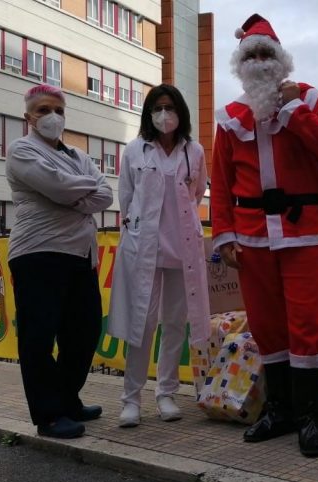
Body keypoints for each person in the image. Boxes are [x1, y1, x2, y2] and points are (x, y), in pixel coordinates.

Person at [209, 14, 318, 457]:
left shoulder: (308, 99)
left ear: (280, 60)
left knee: (308, 323)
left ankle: (311, 417)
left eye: (265, 54)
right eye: (249, 55)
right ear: (240, 63)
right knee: (267, 323)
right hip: (252, 236)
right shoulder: (231, 117)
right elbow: (222, 180)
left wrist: (293, 112)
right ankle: (280, 410)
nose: (258, 62)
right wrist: (224, 235)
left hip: (302, 232)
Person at [5, 84, 113, 439]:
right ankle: (49, 415)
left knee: (83, 333)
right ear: (29, 117)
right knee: (38, 337)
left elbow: (105, 194)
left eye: (58, 110)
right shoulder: (21, 150)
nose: (52, 117)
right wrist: (77, 190)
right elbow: (61, 188)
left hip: (80, 256)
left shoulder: (78, 155)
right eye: (43, 110)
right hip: (38, 253)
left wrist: (71, 191)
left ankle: (68, 399)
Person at [108, 84, 210, 427]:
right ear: (148, 113)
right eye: (157, 107)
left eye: (170, 107)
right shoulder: (135, 150)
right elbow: (128, 197)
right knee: (142, 324)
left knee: (175, 324)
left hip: (182, 250)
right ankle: (131, 399)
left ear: (180, 112)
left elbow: (196, 194)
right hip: (144, 249)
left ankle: (166, 393)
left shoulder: (193, 151)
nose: (164, 114)